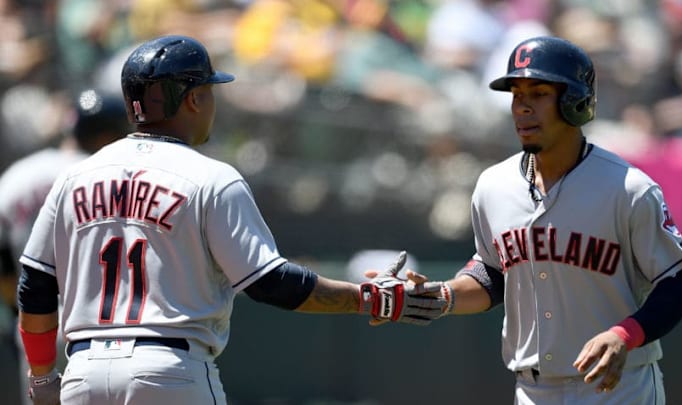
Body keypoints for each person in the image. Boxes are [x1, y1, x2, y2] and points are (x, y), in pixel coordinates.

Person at [15, 35, 445, 405]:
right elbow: (270, 283)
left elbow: (35, 286)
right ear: (195, 98)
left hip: (83, 370)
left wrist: (41, 375)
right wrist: (367, 298)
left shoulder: (74, 176)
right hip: (169, 370)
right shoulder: (210, 176)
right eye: (209, 92)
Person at [389, 36, 682, 404]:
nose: (522, 107)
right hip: (533, 391)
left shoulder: (629, 189)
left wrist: (624, 334)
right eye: (516, 95)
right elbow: (493, 275)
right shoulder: (493, 186)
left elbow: (680, 284)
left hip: (619, 387)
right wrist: (440, 295)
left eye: (537, 94)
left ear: (574, 102)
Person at [0, 88, 129, 405]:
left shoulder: (20, 174)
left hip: (36, 328)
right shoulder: (113, 176)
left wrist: (21, 310)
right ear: (109, 135)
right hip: (104, 330)